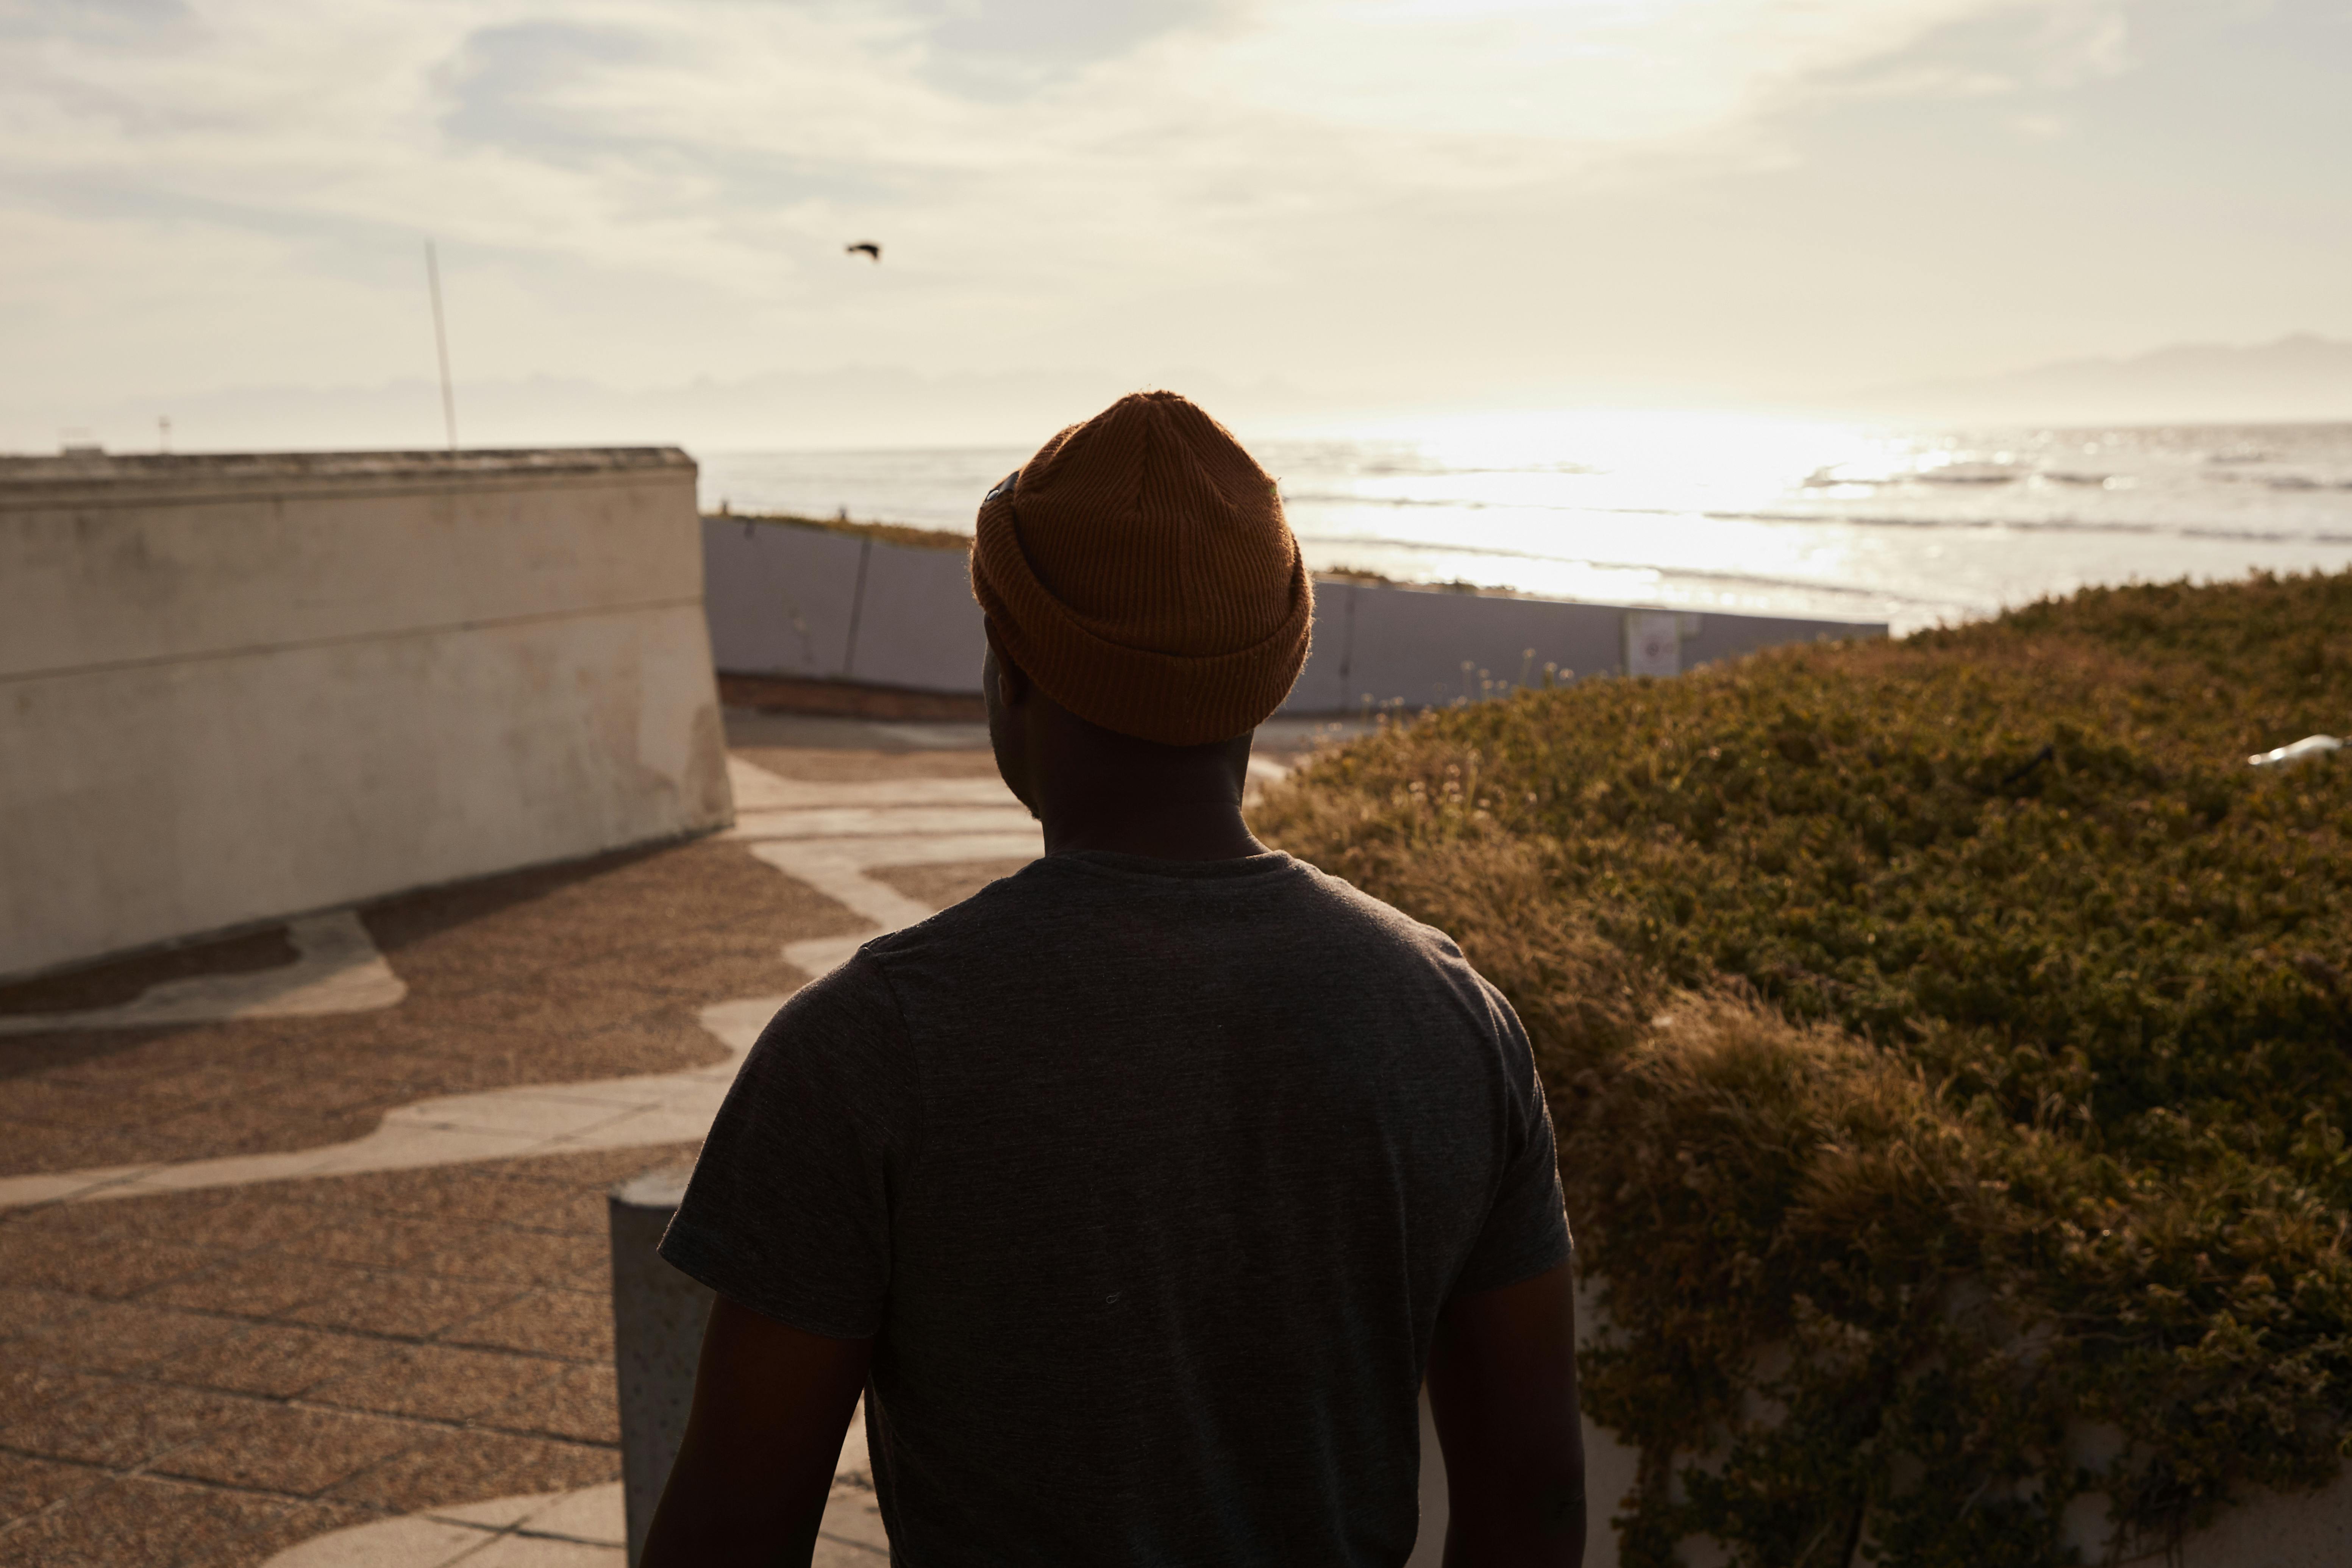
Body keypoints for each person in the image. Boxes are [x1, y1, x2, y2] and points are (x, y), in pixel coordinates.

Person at [643, 391, 1585, 1568]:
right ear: (1273, 675)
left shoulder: (869, 1046)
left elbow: (732, 1531)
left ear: (1012, 674)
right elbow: (1535, 1503)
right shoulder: (1450, 1017)